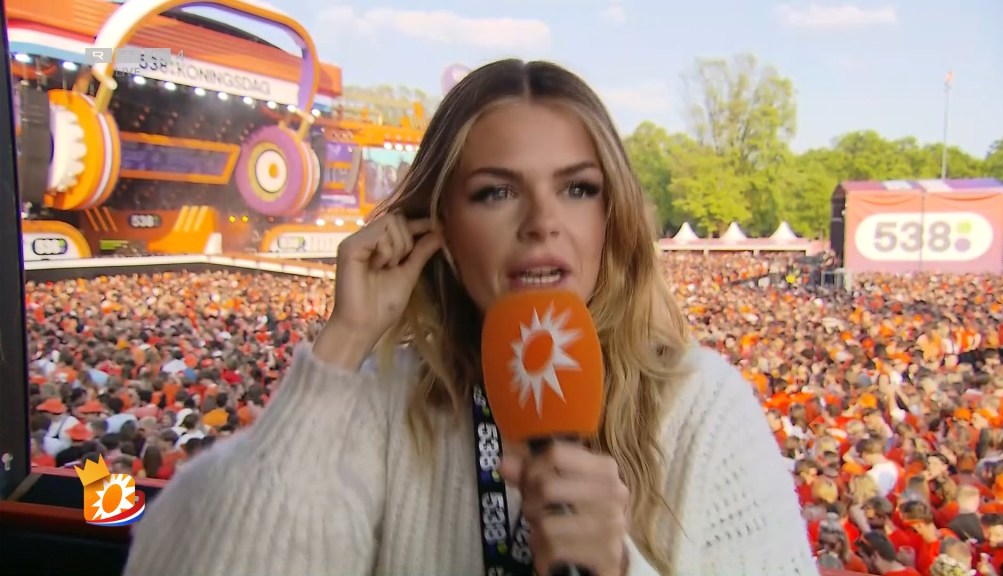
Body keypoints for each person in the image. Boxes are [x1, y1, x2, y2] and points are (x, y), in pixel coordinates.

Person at [124, 59, 815, 576]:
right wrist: (343, 344)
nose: (542, 222)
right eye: (495, 193)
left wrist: (620, 568)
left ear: (612, 218)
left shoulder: (705, 407)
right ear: (443, 229)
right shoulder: (383, 403)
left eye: (577, 188)